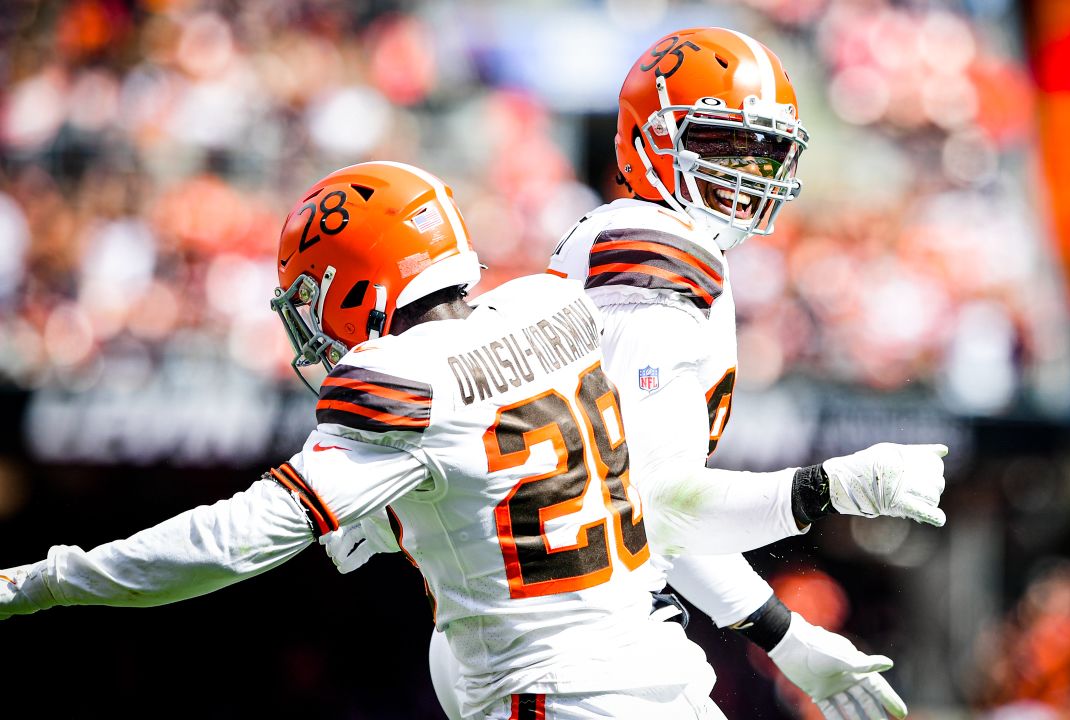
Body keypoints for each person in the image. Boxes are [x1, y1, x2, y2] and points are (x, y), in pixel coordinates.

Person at [0, 160, 944, 719]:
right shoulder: (552, 307)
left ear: (355, 284)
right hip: (664, 684)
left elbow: (231, 543)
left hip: (556, 702)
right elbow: (646, 501)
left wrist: (45, 581)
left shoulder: (401, 384)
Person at [330, 28, 949, 720]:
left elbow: (648, 522)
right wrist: (829, 488)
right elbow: (655, 501)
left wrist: (786, 635)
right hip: (566, 650)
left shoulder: (663, 253)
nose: (746, 171)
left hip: (584, 636)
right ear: (647, 140)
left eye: (763, 150)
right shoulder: (654, 251)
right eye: (720, 144)